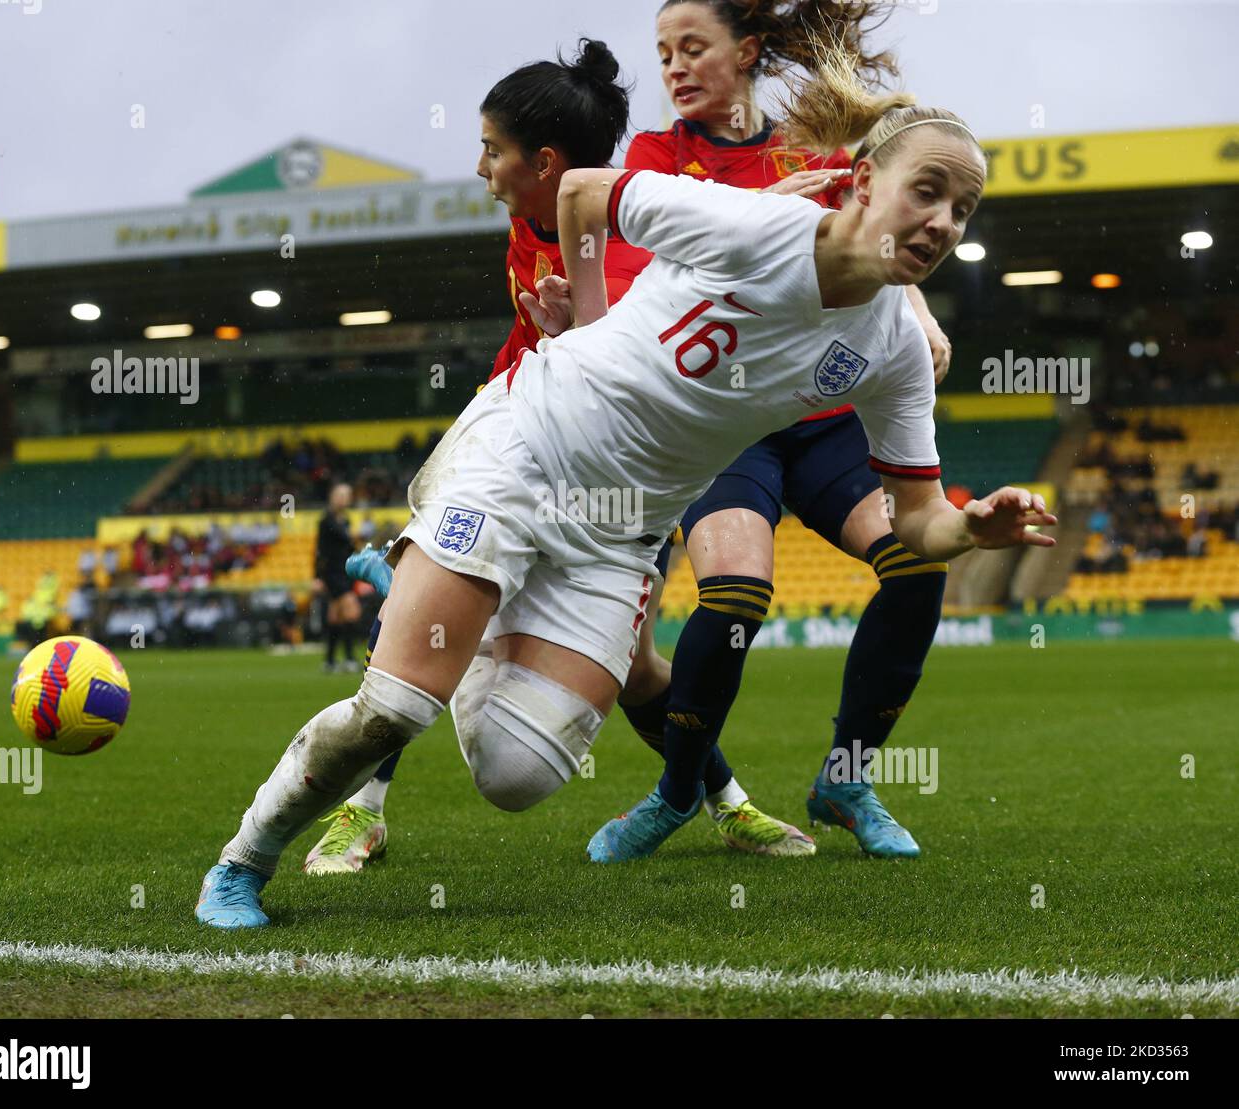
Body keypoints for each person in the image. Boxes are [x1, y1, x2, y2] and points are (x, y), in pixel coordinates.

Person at [195, 31, 1056, 927]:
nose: (944, 223)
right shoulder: (753, 225)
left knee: (516, 775)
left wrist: (972, 527)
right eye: (928, 191)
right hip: (527, 452)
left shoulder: (895, 350)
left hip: (619, 533)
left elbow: (918, 521)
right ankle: (241, 865)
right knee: (396, 710)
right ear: (865, 182)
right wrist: (592, 322)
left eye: (964, 209)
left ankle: (442, 591)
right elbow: (580, 191)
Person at [304, 39, 812, 873]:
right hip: (516, 441)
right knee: (430, 626)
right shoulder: (529, 216)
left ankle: (724, 801)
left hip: (612, 483)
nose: (480, 167)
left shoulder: (634, 247)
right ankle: (360, 811)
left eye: (492, 149)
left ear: (544, 162)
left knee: (637, 668)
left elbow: (660, 367)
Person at [586, 0, 954, 862]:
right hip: (725, 420)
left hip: (823, 417)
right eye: (663, 54)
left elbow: (875, 235)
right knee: (736, 596)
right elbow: (647, 277)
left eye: (693, 48)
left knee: (918, 566)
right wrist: (761, 210)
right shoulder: (655, 156)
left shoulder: (813, 145)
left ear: (747, 50)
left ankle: (846, 780)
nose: (674, 68)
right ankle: (679, 790)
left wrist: (919, 310)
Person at [312, 483, 361, 673]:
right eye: (340, 495)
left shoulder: (345, 520)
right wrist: (317, 576)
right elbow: (319, 550)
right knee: (352, 612)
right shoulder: (326, 521)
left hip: (344, 571)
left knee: (336, 617)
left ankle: (330, 661)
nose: (344, 499)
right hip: (333, 573)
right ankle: (348, 658)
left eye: (346, 495)